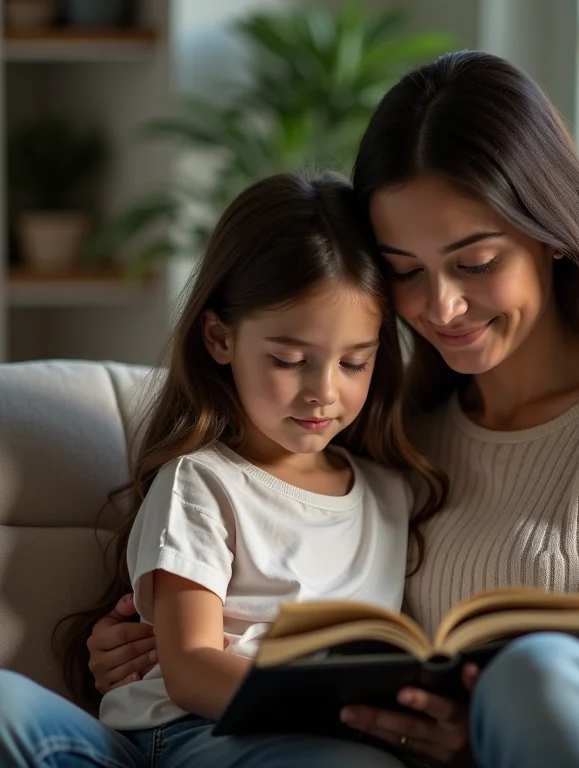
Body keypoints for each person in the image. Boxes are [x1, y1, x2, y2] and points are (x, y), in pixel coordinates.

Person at [2, 51, 579, 768]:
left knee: (535, 670)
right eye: (405, 272)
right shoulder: (403, 435)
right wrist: (137, 645)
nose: (443, 306)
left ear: (553, 235)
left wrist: (505, 724)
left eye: (475, 262)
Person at [0, 171, 448, 768]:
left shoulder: (393, 493)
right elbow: (190, 673)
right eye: (290, 360)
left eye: (353, 362)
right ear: (219, 337)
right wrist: (338, 713)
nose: (323, 391)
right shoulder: (202, 482)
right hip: (192, 732)